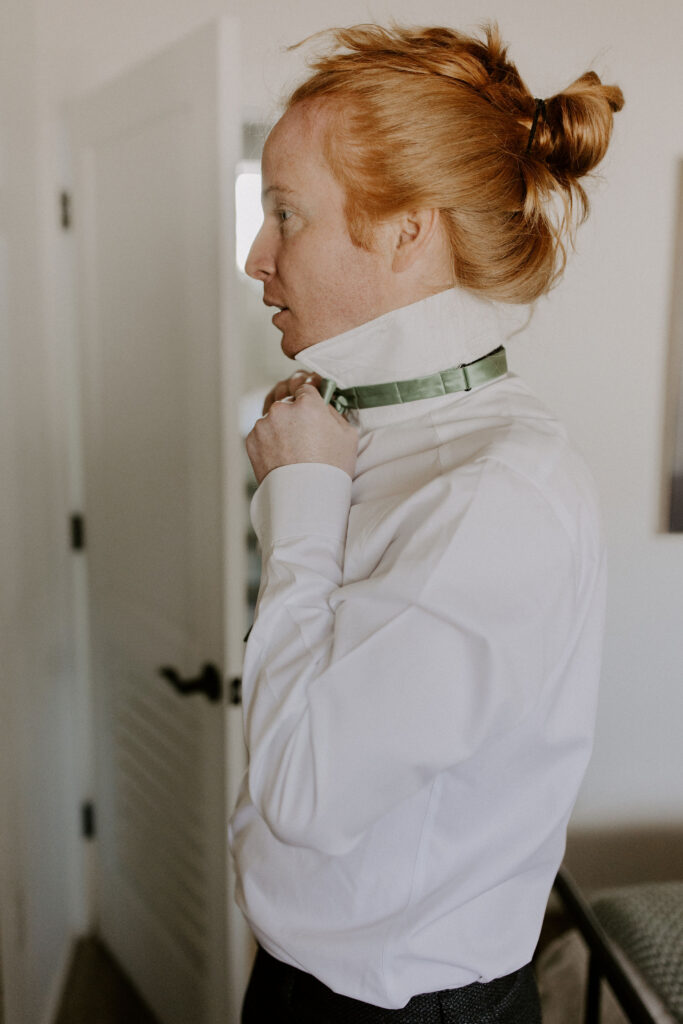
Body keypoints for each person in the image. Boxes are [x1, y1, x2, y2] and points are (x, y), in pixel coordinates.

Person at [229, 22, 623, 1023]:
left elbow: (302, 790)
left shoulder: (497, 491)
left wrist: (301, 503)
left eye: (284, 214)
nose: (254, 256)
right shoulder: (358, 425)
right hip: (306, 978)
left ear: (409, 227)